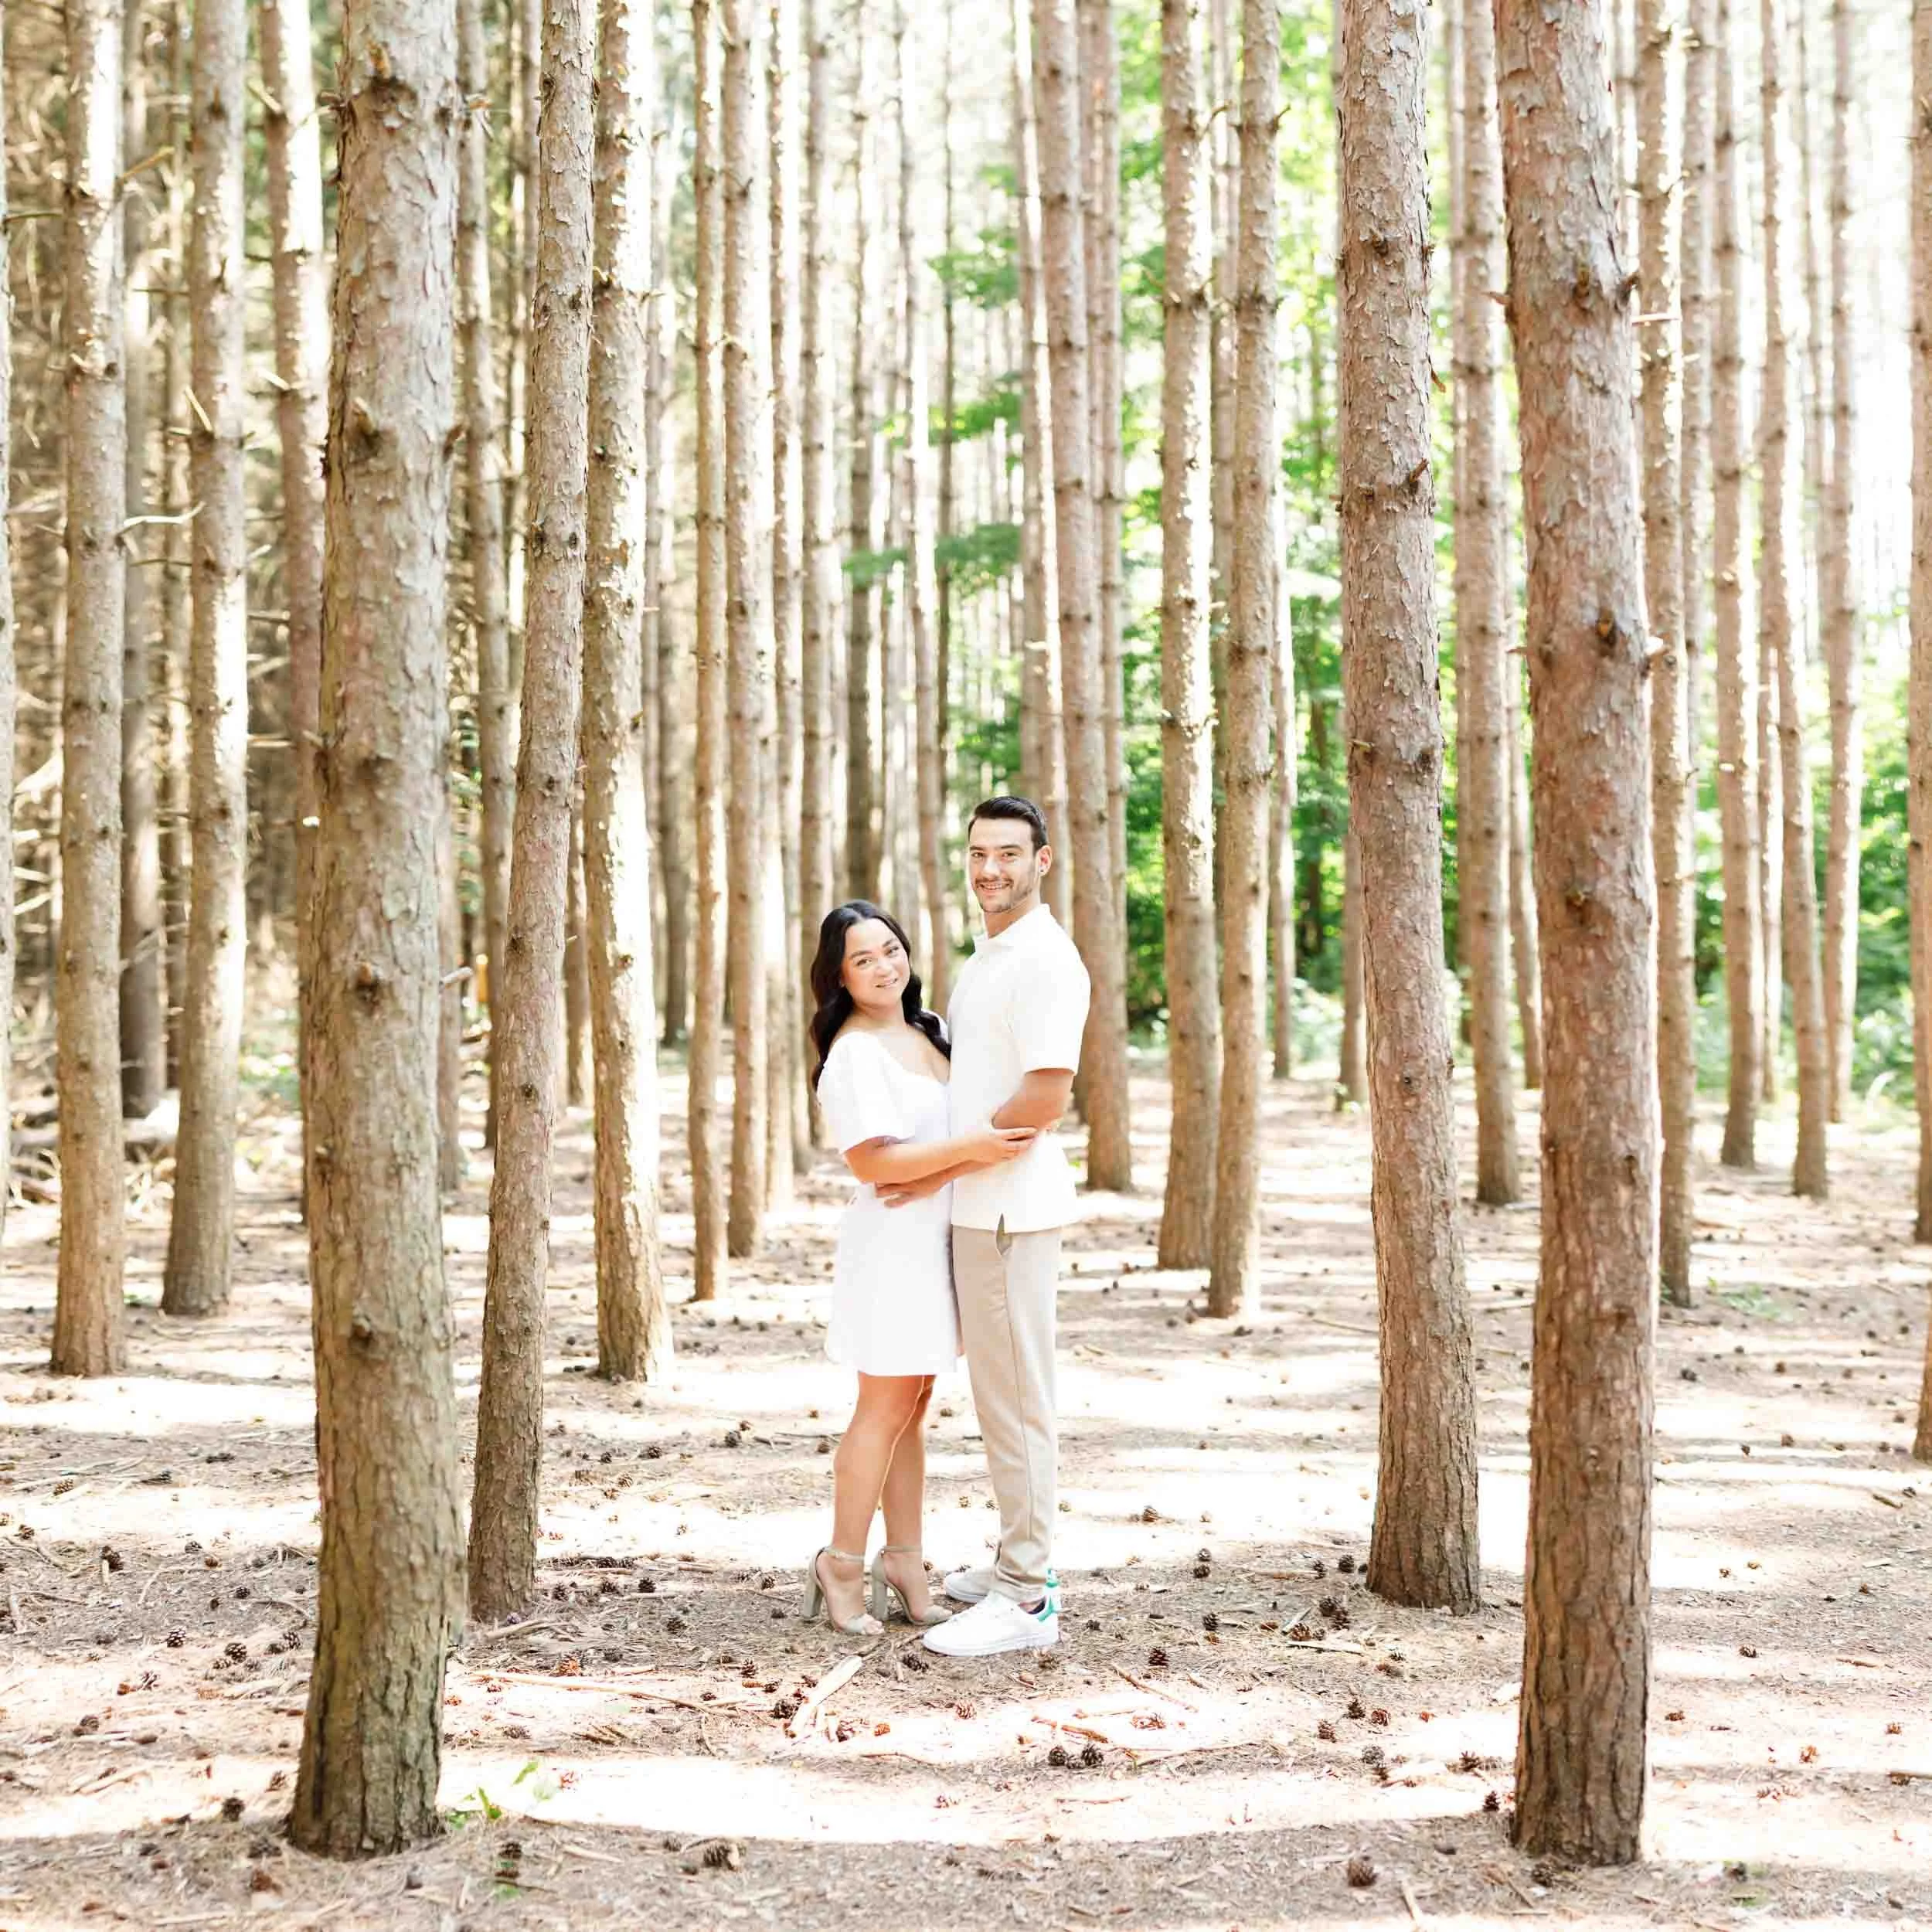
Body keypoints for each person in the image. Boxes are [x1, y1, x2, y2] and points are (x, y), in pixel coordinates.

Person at [803, 900, 1039, 1638]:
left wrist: (957, 1165)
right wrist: (971, 1151)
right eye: (862, 959)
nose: (883, 966)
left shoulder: (926, 1029)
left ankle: (904, 1561)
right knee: (882, 1410)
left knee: (912, 1412)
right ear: (839, 977)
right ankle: (841, 1563)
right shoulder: (854, 1053)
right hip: (893, 1243)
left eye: (890, 949)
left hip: (938, 1236)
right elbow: (873, 1163)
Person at [903, 797, 1090, 1658]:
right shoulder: (990, 955)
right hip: (981, 1210)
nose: (990, 870)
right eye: (979, 853)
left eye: (1009, 855)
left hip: (1012, 1211)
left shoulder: (1045, 959)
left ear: (1042, 862)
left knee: (1018, 1404)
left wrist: (945, 1164)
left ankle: (1027, 1595)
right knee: (999, 1400)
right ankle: (1018, 1560)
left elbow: (1046, 1098)